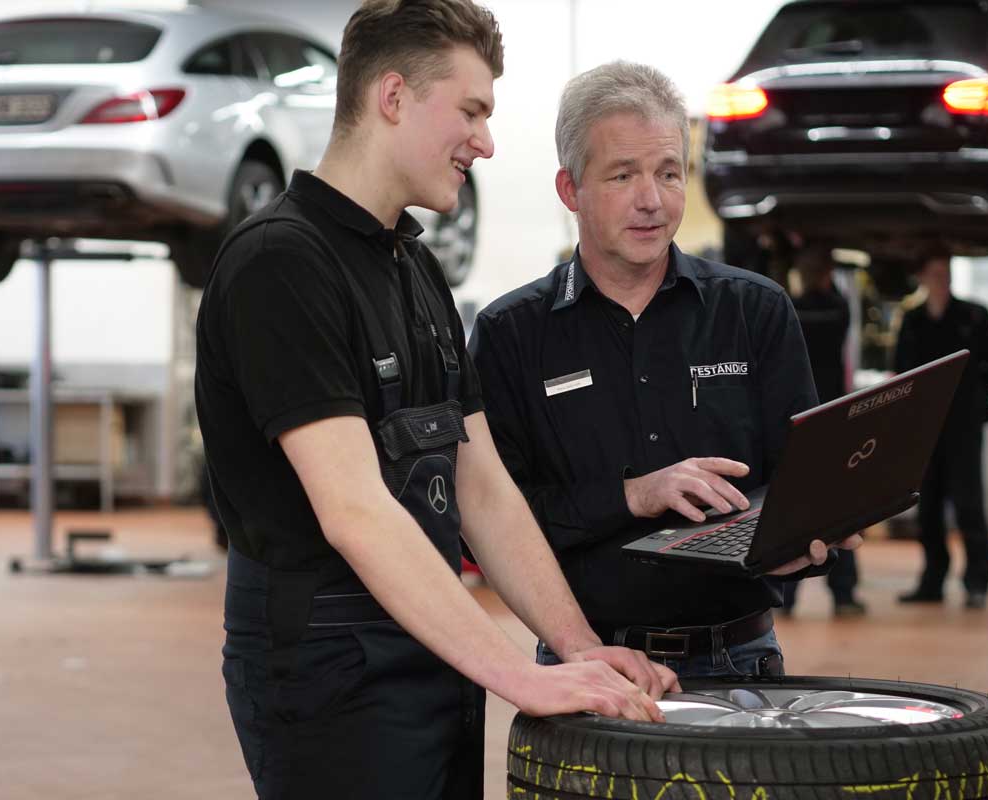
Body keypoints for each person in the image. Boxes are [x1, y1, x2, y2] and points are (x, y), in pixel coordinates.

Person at [194, 5, 677, 798]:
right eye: (472, 110)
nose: (485, 142)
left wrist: (574, 645)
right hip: (328, 670)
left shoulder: (415, 270)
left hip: (430, 644)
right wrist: (515, 679)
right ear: (393, 97)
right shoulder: (280, 265)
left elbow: (480, 484)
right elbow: (355, 510)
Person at [468, 61, 862, 679]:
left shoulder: (755, 311)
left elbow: (799, 484)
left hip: (742, 662)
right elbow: (493, 520)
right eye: (623, 175)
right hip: (590, 663)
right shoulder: (511, 335)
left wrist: (810, 543)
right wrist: (632, 495)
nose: (651, 200)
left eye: (669, 173)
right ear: (570, 189)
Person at [894, 248, 988, 609]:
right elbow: (900, 371)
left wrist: (977, 398)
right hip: (925, 428)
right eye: (936, 272)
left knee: (969, 502)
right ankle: (932, 581)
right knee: (927, 508)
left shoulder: (974, 315)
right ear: (923, 277)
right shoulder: (912, 320)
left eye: (947, 272)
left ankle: (978, 581)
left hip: (963, 426)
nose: (942, 279)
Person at [781, 247, 867, 617]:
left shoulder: (791, 309)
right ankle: (844, 594)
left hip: (799, 423)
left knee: (791, 507)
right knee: (839, 508)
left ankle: (785, 597)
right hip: (835, 419)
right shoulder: (838, 309)